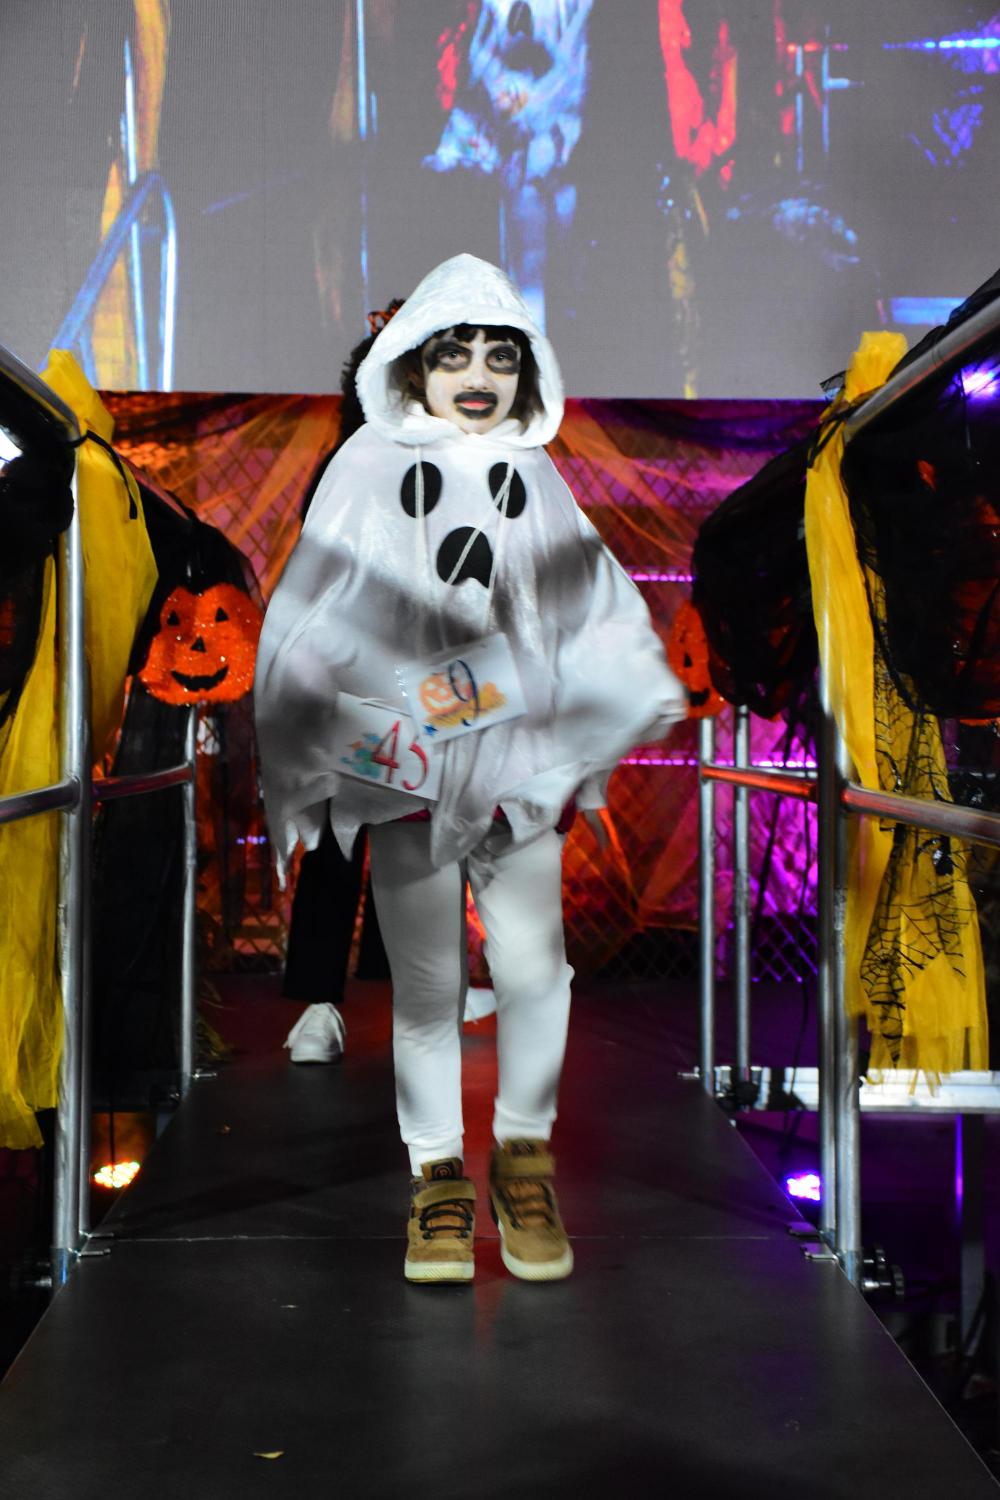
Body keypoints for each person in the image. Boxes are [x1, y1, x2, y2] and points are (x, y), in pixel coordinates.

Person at [255, 253, 685, 1283]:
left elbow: (586, 605)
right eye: (455, 355)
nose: (479, 376)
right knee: (428, 986)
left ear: (528, 368)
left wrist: (596, 691)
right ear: (414, 363)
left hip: (514, 771)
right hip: (403, 767)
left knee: (536, 971)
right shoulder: (365, 466)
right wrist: (361, 725)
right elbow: (314, 614)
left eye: (500, 356)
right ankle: (438, 1178)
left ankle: (523, 1162)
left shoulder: (534, 475)